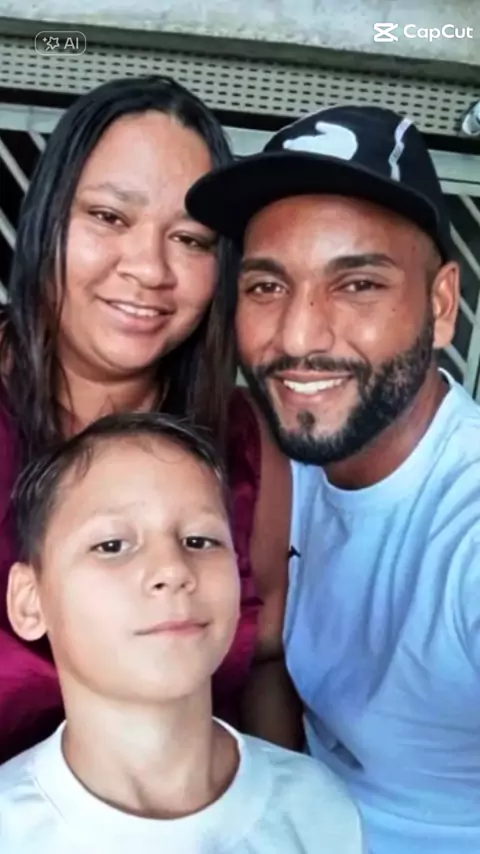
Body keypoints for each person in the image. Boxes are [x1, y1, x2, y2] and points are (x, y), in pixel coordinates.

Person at [186, 104, 480, 853]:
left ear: (442, 305)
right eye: (266, 287)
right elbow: (274, 662)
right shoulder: (277, 452)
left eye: (357, 285)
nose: (299, 336)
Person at [0, 75, 296, 764]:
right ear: (48, 217)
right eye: (109, 217)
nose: (150, 269)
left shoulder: (247, 446)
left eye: (191, 239)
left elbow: (263, 664)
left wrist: (285, 806)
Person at [0, 412, 364, 853]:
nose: (173, 569)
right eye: (112, 545)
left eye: (199, 540)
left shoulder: (318, 810)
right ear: (29, 601)